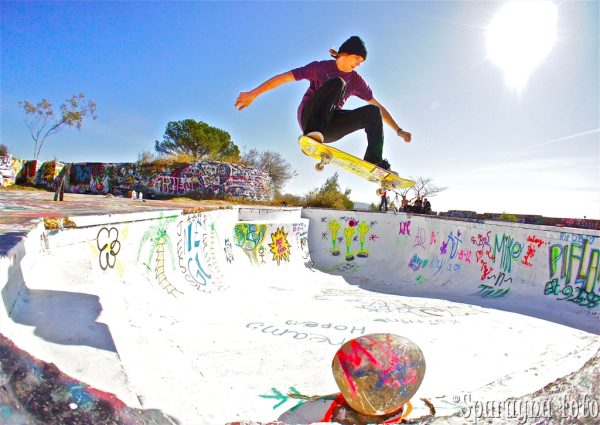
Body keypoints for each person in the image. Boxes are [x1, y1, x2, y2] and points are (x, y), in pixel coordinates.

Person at [235, 36, 412, 171]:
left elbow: (379, 107)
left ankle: (374, 160)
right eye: (357, 58)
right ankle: (313, 133)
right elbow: (284, 78)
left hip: (330, 127)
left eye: (361, 62)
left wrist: (398, 130)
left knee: (373, 111)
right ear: (345, 53)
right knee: (338, 83)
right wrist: (253, 94)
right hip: (309, 119)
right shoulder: (320, 68)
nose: (358, 64)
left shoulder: (358, 81)